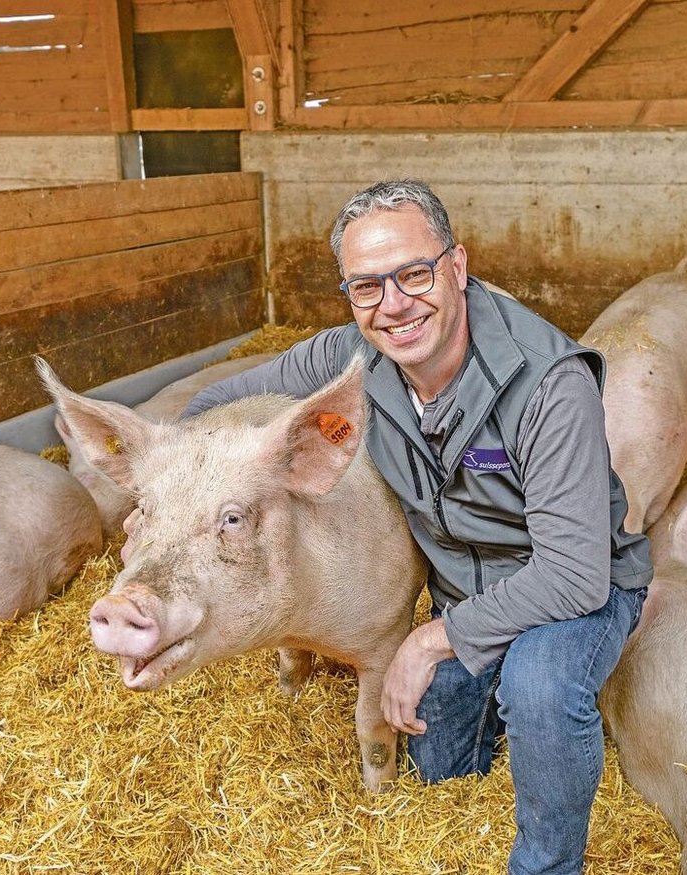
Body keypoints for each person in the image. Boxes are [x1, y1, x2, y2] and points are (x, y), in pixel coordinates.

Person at [181, 179, 652, 874]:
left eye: (414, 273)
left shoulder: (549, 384)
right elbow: (233, 396)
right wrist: (178, 475)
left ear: (457, 265)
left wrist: (431, 638)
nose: (393, 304)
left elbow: (574, 574)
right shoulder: (350, 360)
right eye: (366, 287)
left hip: (576, 591)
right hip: (467, 593)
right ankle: (488, 695)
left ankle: (549, 862)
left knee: (540, 683)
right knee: (437, 768)